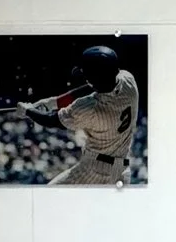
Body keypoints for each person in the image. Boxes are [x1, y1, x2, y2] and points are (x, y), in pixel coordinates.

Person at [36, 46, 140, 186]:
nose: (86, 79)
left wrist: (27, 111)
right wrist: (54, 102)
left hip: (94, 170)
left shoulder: (91, 108)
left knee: (47, 197)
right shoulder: (128, 80)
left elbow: (50, 120)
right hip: (121, 171)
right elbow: (94, 86)